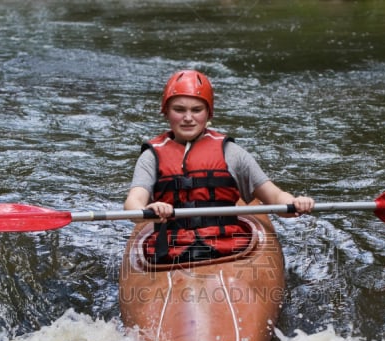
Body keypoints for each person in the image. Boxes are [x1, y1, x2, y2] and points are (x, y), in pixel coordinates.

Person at [124, 69, 315, 263]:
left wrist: (295, 202)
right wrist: (151, 208)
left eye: (197, 110)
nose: (188, 117)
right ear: (166, 112)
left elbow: (274, 196)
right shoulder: (151, 156)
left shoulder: (231, 153)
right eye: (179, 110)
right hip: (171, 250)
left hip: (227, 246)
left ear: (208, 113)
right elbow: (133, 204)